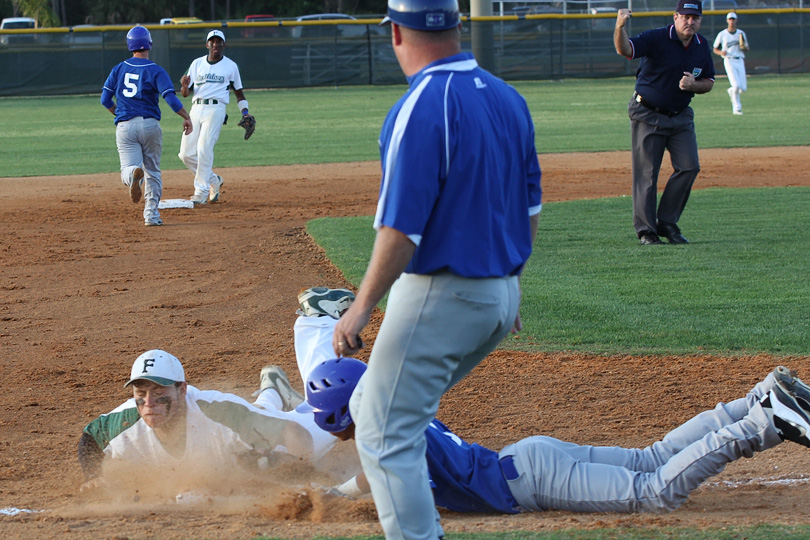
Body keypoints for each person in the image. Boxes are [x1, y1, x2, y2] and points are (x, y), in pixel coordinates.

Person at [331, 2, 542, 536]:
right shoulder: (508, 99)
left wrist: (360, 307)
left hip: (443, 295)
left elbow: (401, 230)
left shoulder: (421, 104)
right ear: (456, 26)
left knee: (381, 431)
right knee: (376, 400)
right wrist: (511, 282)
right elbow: (530, 207)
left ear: (397, 32)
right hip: (498, 298)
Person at [302, 353, 810, 516]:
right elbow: (373, 475)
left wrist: (330, 498)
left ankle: (763, 422)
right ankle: (757, 399)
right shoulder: (394, 412)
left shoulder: (381, 436)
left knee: (651, 494)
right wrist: (334, 494)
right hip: (527, 457)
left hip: (527, 481)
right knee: (651, 457)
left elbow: (378, 479)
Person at [77, 349, 336, 493]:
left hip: (262, 433)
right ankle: (273, 391)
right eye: (140, 393)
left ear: (182, 390)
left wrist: (305, 483)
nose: (149, 403)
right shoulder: (124, 420)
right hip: (249, 424)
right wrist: (93, 475)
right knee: (257, 416)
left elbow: (296, 434)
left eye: (159, 392)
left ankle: (319, 319)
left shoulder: (219, 412)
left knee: (333, 415)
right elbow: (90, 437)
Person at [614, 1, 715, 245]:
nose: (691, 22)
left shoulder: (702, 45)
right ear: (676, 17)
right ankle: (646, 231)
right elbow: (625, 49)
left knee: (689, 166)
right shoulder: (657, 38)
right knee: (647, 175)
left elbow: (709, 81)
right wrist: (619, 27)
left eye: (695, 17)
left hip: (680, 116)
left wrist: (694, 86)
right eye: (686, 17)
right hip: (647, 113)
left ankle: (667, 222)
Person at [101, 25, 193, 227]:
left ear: (129, 45)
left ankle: (133, 173)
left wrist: (120, 114)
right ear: (149, 44)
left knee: (127, 167)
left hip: (125, 126)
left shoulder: (118, 68)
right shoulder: (155, 70)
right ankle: (151, 215)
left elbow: (105, 99)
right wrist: (185, 116)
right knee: (153, 171)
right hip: (150, 125)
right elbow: (170, 98)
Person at [178, 29, 253, 205]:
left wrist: (245, 112)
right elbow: (186, 93)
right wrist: (183, 86)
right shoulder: (196, 64)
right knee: (185, 154)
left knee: (204, 148)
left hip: (216, 109)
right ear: (207, 45)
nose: (215, 44)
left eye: (219, 41)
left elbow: (239, 94)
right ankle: (213, 180)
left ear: (223, 45)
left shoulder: (230, 66)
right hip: (196, 108)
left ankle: (201, 191)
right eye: (212, 41)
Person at [713, 12, 749, 116]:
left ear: (736, 20)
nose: (732, 21)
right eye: (730, 19)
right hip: (729, 60)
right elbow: (715, 48)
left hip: (740, 59)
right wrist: (721, 52)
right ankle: (736, 108)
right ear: (727, 20)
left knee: (743, 88)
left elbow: (747, 48)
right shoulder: (722, 34)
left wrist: (744, 47)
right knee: (736, 85)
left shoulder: (740, 33)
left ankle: (731, 91)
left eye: (733, 19)